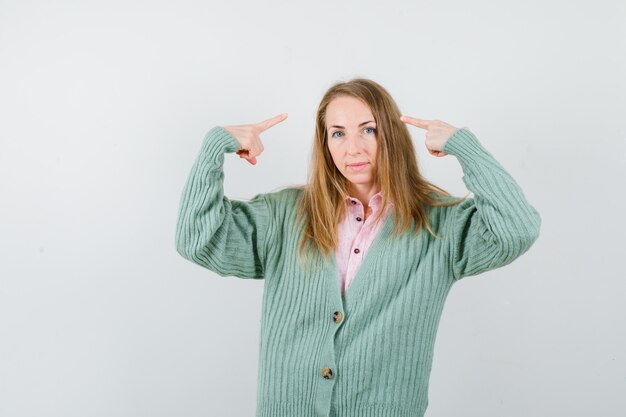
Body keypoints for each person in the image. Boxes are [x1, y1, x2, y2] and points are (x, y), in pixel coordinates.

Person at [175, 78, 541, 417]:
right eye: (337, 133)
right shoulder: (284, 215)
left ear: (392, 135)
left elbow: (517, 229)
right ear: (325, 143)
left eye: (368, 129)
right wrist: (214, 146)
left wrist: (465, 147)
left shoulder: (438, 224)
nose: (353, 148)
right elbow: (196, 239)